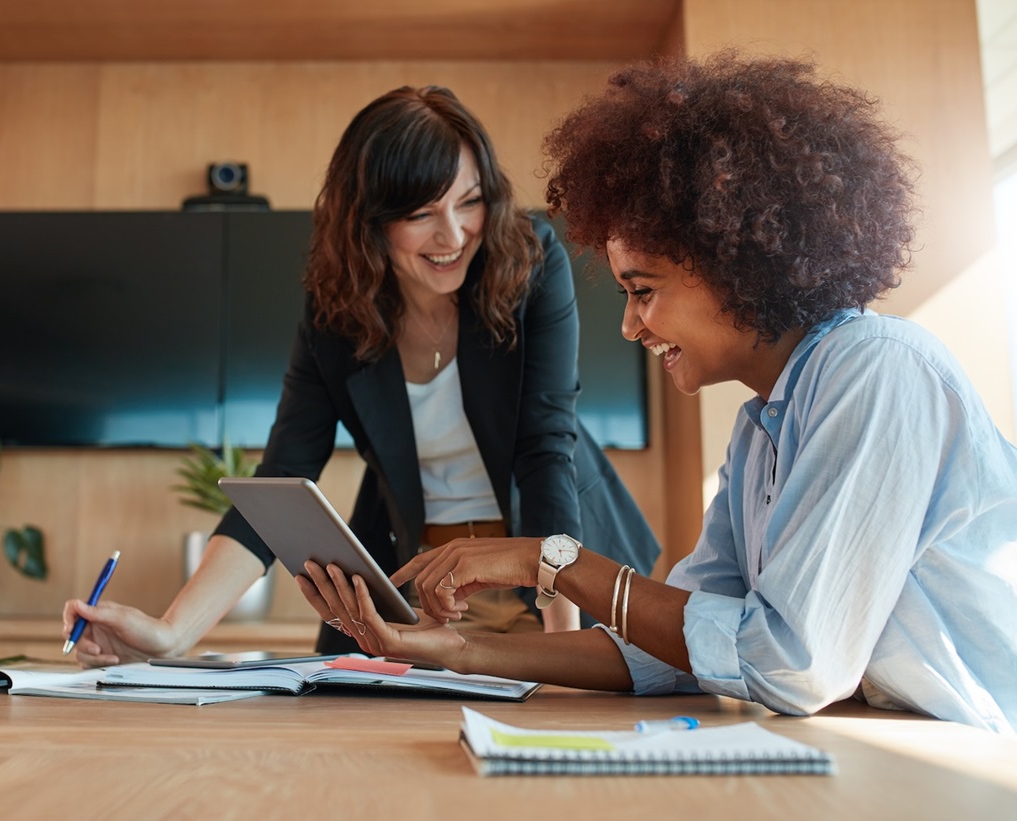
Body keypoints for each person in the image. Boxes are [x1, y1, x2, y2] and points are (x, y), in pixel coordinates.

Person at [298, 52, 1017, 735]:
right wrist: (455, 652)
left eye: (643, 291)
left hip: (975, 748)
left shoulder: (876, 370)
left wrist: (550, 560)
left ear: (734, 260)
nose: (631, 323)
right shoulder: (761, 429)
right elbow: (675, 650)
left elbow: (790, 661)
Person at [62, 85, 659, 665]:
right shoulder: (337, 311)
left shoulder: (529, 261)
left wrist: (563, 647)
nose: (453, 235)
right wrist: (170, 634)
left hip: (554, 578)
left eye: (469, 201)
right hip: (423, 592)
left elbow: (544, 447)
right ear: (369, 221)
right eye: (422, 213)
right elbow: (282, 478)